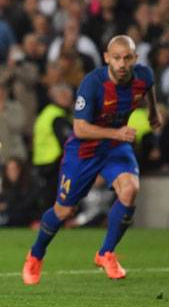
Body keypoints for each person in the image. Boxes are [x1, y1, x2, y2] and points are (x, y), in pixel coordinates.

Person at [22, 35, 163, 285]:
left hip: (114, 148)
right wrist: (117, 132)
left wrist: (152, 113)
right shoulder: (93, 83)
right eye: (116, 58)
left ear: (135, 59)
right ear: (107, 58)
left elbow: (148, 87)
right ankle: (36, 254)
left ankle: (106, 252)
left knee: (130, 190)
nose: (121, 64)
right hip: (84, 151)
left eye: (127, 58)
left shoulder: (144, 75)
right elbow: (80, 128)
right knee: (64, 211)